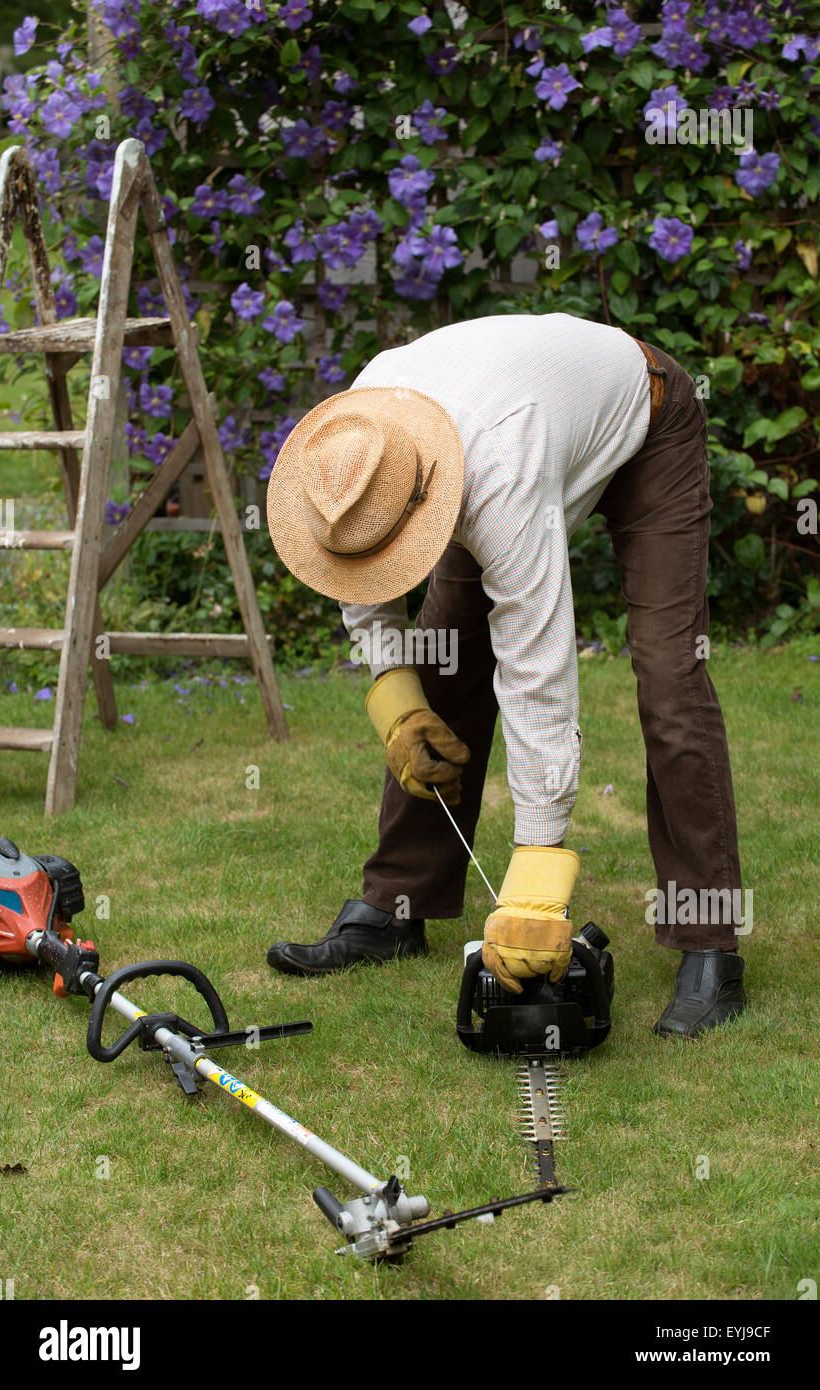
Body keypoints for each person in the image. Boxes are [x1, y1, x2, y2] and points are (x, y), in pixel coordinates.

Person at [264, 313, 747, 1038]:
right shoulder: (351, 449)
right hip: (508, 426)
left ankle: (709, 947)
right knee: (439, 663)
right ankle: (396, 909)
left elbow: (538, 674)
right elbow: (358, 577)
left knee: (669, 671)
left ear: (423, 503)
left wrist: (535, 884)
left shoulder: (498, 471)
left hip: (644, 416)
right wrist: (398, 709)